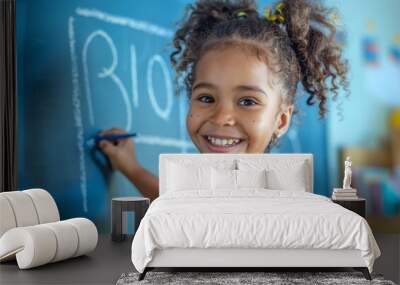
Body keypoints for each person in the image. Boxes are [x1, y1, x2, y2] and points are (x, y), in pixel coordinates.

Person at [98, 0, 348, 201]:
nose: (220, 118)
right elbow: (174, 202)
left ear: (281, 120)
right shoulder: (203, 186)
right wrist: (130, 168)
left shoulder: (282, 205)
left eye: (248, 101)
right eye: (206, 98)